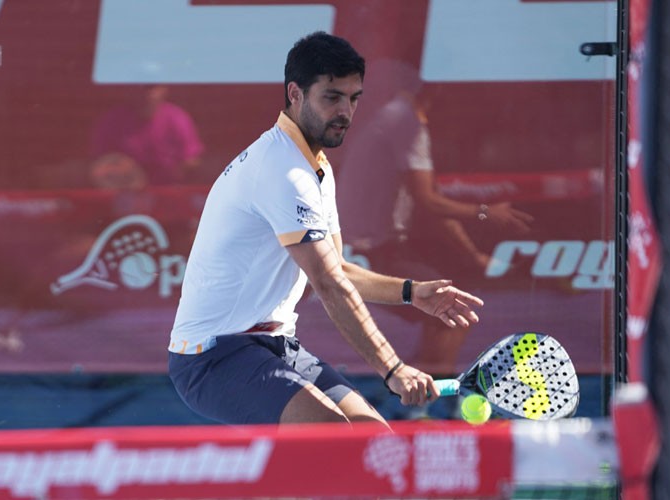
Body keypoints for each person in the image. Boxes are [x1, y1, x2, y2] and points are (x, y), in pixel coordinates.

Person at [167, 32, 484, 428]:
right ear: (295, 94)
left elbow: (339, 268)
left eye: (354, 98)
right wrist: (394, 369)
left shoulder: (315, 166)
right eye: (332, 97)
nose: (345, 112)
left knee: (375, 443)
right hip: (212, 358)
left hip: (276, 346)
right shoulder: (282, 169)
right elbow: (329, 283)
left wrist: (412, 292)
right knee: (338, 444)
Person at [338, 60, 533, 380]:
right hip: (365, 254)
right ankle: (430, 396)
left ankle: (424, 384)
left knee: (451, 303)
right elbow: (430, 204)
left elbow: (435, 206)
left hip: (384, 248)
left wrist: (472, 257)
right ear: (439, 90)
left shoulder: (399, 119)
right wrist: (487, 213)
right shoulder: (406, 122)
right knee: (455, 308)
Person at [91, 84, 204, 185]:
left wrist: (172, 171)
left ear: (164, 89)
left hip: (168, 191)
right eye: (139, 87)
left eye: (151, 87)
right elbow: (99, 165)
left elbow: (192, 161)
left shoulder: (177, 118)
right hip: (124, 194)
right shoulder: (112, 120)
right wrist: (120, 169)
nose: (145, 93)